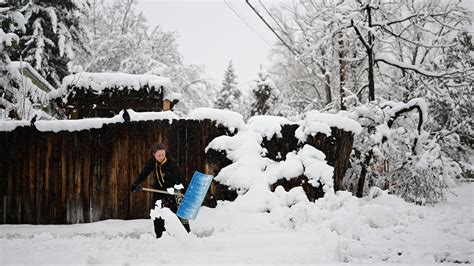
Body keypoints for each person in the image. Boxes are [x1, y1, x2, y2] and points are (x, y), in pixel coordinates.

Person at [131, 143, 190, 238]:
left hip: (174, 190)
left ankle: (187, 233)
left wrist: (186, 191)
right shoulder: (152, 163)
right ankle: (160, 236)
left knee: (180, 212)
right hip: (159, 191)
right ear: (153, 154)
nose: (161, 157)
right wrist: (135, 183)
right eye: (159, 155)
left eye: (163, 154)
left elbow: (181, 177)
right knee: (157, 212)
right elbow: (144, 174)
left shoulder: (171, 163)